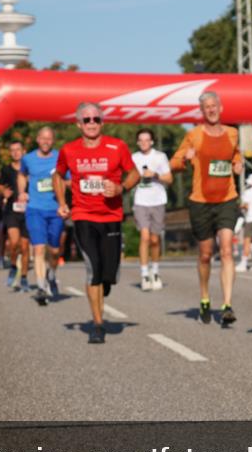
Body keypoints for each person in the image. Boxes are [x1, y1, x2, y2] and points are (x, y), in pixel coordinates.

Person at [54, 102, 138, 344]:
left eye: (96, 119)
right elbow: (58, 175)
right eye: (87, 119)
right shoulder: (69, 150)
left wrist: (121, 187)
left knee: (108, 274)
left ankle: (106, 280)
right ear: (78, 124)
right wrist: (62, 202)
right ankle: (98, 324)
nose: (92, 123)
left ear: (103, 122)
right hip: (83, 216)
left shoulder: (117, 146)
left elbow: (134, 173)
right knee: (93, 268)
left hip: (111, 217)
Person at [170, 91, 243, 325]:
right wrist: (184, 159)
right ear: (201, 111)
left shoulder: (233, 134)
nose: (211, 110)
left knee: (227, 251)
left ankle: (227, 304)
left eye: (214, 106)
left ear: (220, 108)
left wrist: (238, 163)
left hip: (227, 199)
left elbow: (235, 156)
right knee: (204, 255)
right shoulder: (194, 135)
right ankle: (204, 297)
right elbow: (174, 163)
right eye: (206, 107)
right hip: (201, 201)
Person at [18, 126, 65, 306]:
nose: (46, 142)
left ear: (53, 141)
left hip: (55, 210)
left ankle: (51, 275)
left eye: (49, 139)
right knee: (38, 248)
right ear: (38, 139)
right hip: (35, 209)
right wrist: (22, 191)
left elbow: (69, 179)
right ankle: (40, 286)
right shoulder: (28, 159)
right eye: (43, 138)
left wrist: (61, 184)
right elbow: (22, 175)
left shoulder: (60, 157)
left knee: (53, 250)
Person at [131, 128, 173, 291]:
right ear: (137, 142)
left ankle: (155, 272)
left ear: (152, 141)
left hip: (158, 200)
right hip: (141, 201)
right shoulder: (134, 158)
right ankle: (144, 274)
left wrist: (155, 175)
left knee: (155, 240)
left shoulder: (160, 157)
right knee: (145, 237)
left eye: (147, 140)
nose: (144, 143)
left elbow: (169, 179)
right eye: (141, 140)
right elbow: (128, 177)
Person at [0, 139, 31, 291]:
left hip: (28, 211)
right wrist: (2, 191)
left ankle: (24, 277)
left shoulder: (30, 168)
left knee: (25, 247)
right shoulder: (6, 169)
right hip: (12, 211)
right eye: (12, 150)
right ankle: (13, 265)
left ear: (23, 151)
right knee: (14, 243)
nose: (15, 152)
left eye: (18, 149)